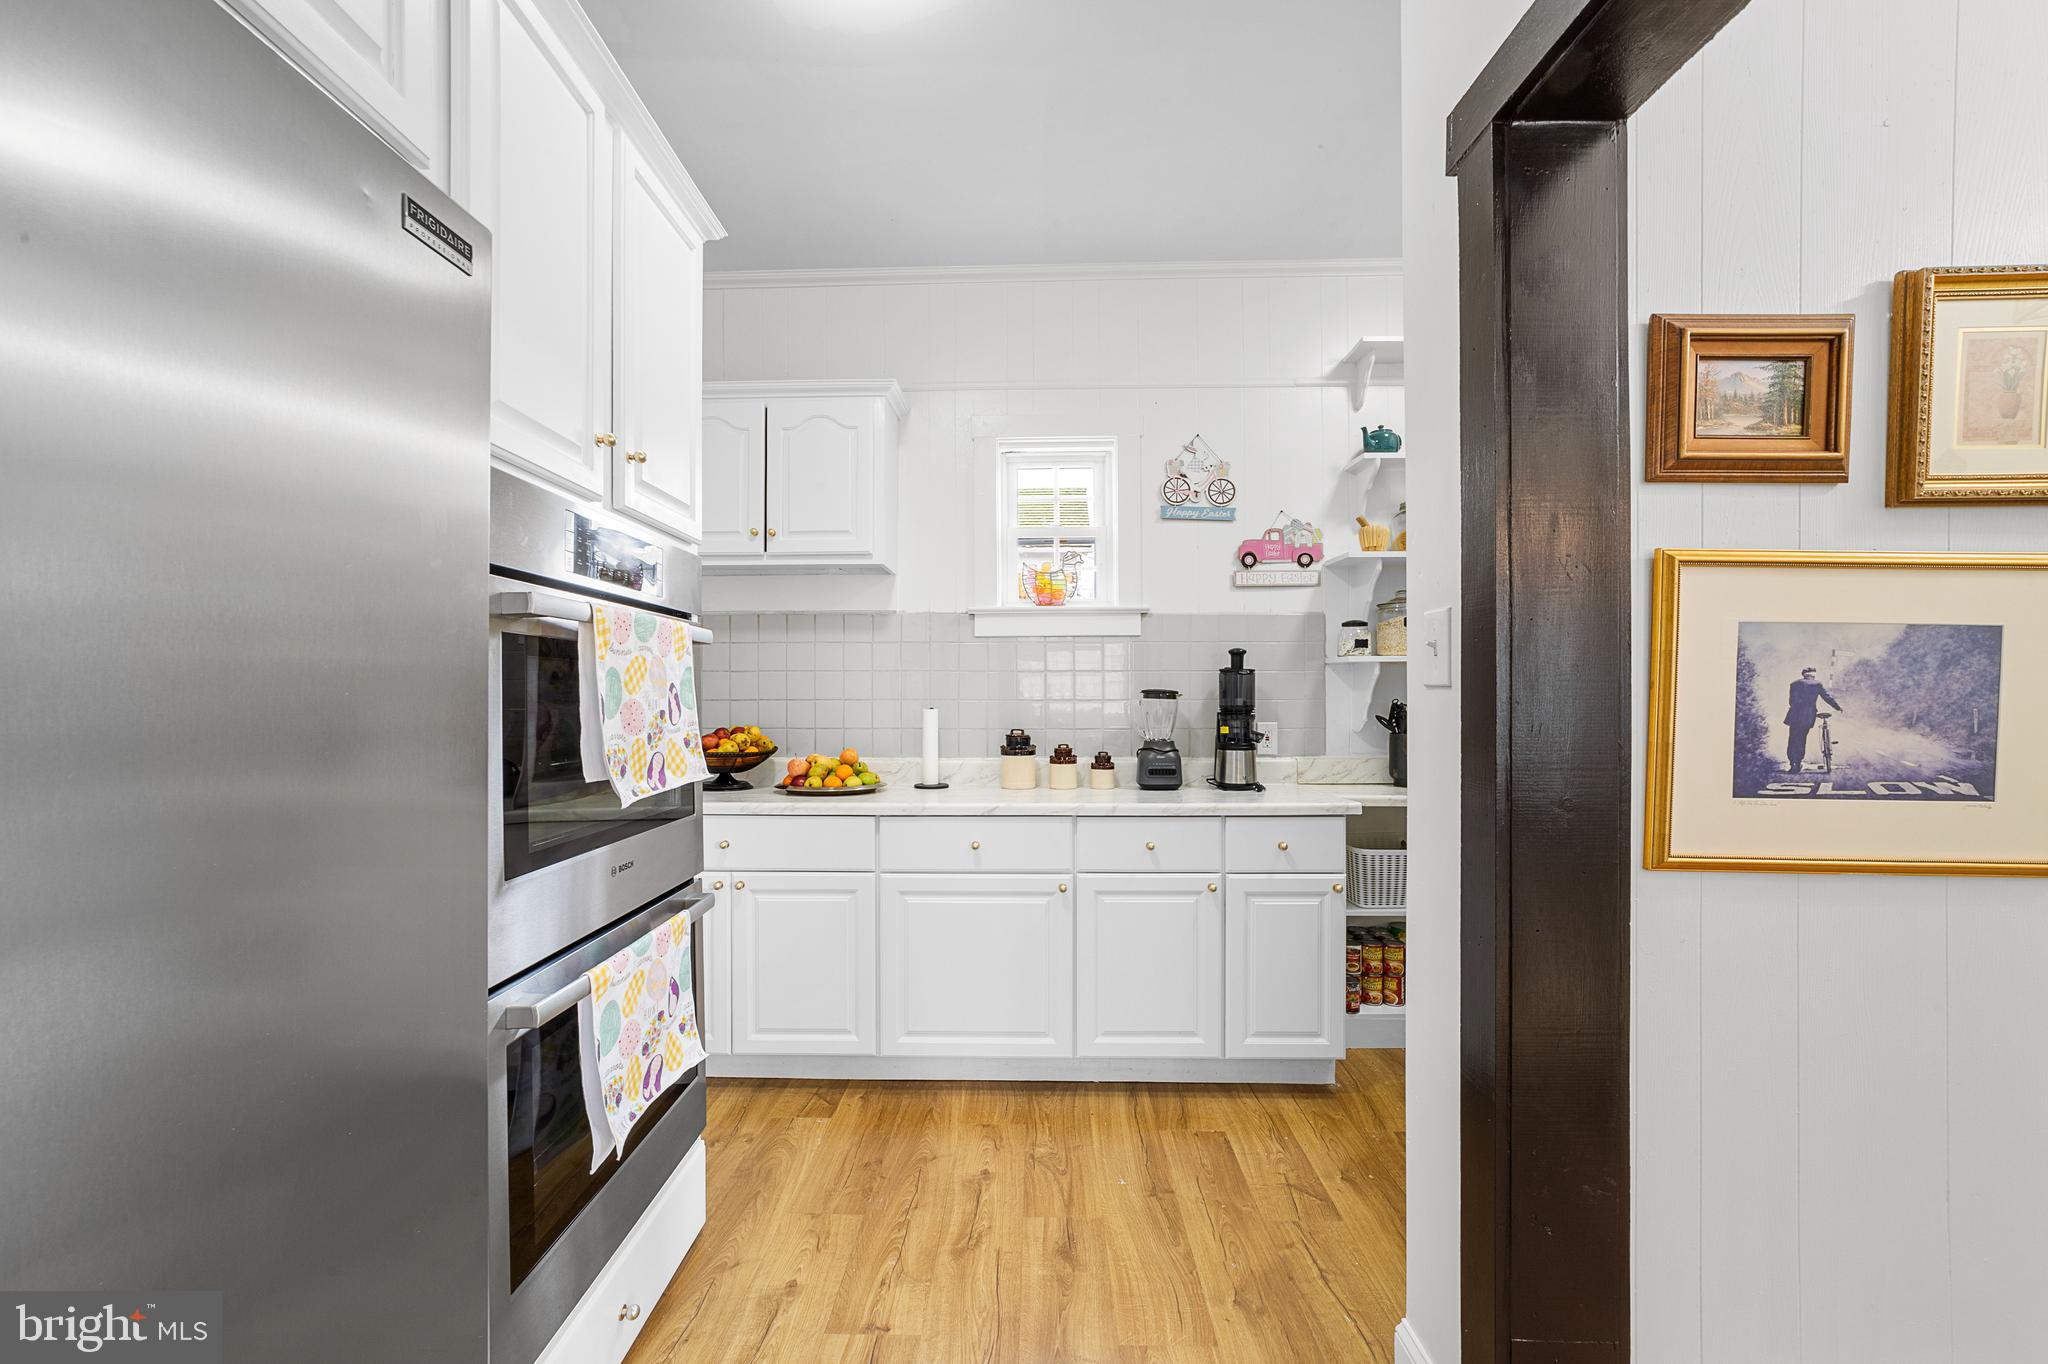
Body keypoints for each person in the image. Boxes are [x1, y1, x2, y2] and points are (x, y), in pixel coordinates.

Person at [1784, 666, 1845, 772]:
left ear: (1803, 674)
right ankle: (1798, 762)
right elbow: (1827, 697)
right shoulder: (1817, 684)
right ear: (1813, 675)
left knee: (1793, 738)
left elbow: (1791, 701)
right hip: (1808, 716)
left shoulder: (1794, 684)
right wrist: (1838, 707)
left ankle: (1792, 763)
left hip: (1795, 715)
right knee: (1802, 738)